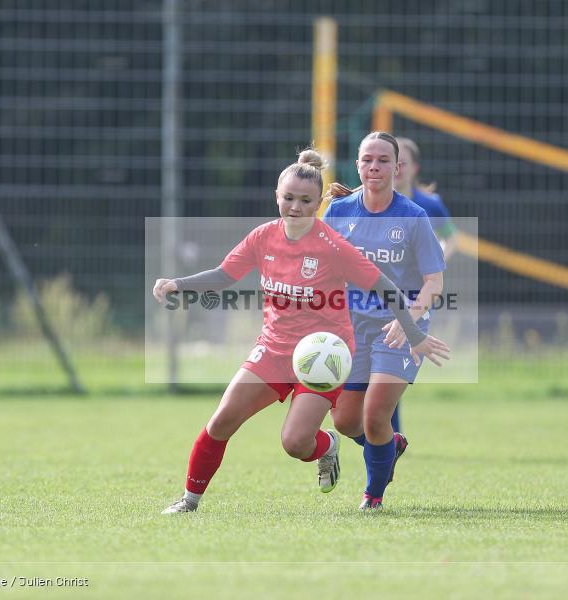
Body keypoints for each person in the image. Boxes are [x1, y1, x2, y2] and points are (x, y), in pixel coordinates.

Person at [153, 148, 449, 514]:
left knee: (294, 443)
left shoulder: (333, 246)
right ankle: (189, 500)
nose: (295, 207)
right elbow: (223, 275)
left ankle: (326, 447)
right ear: (276, 196)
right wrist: (177, 284)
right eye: (288, 198)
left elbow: (387, 288)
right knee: (222, 419)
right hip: (274, 349)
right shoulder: (263, 237)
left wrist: (414, 333)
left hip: (322, 356)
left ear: (317, 203)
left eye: (305, 200)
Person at [322, 132, 447, 510]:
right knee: (345, 421)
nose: (374, 166)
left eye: (382, 160)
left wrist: (408, 320)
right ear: (357, 165)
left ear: (398, 167)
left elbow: (434, 284)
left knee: (376, 415)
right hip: (352, 325)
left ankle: (372, 496)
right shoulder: (340, 212)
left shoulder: (414, 217)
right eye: (367, 160)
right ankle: (389, 446)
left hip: (401, 327)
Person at [389, 136, 462, 434]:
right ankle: (387, 435)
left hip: (414, 295)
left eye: (402, 161)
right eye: (393, 160)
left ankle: (389, 436)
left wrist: (434, 262)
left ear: (414, 167)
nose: (397, 167)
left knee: (390, 362)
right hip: (374, 292)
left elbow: (451, 238)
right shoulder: (370, 202)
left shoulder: (429, 204)